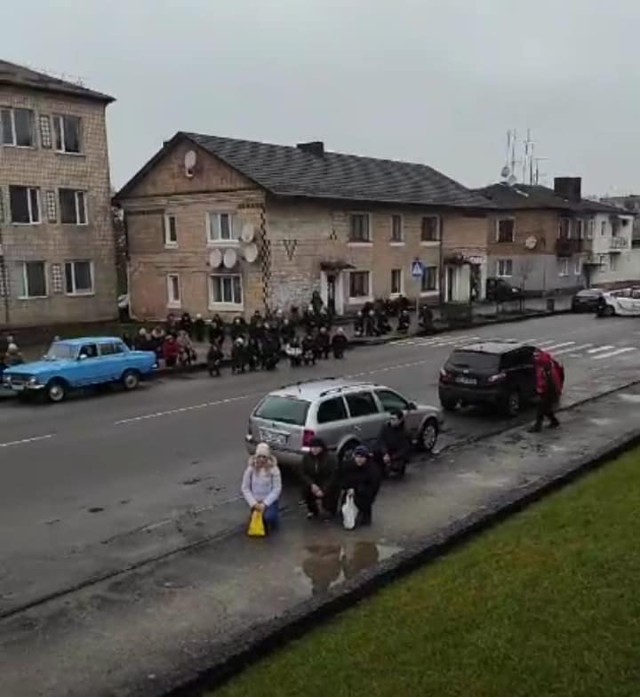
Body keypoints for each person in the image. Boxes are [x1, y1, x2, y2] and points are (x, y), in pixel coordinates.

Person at [241, 442, 282, 533]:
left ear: (268, 457)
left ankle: (273, 519)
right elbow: (245, 488)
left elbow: (277, 489)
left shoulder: (274, 469)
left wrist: (265, 504)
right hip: (256, 501)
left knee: (269, 517)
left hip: (269, 502)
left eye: (264, 457)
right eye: (259, 456)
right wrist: (253, 503)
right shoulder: (250, 469)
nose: (261, 459)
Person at [339, 445, 380, 527]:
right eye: (357, 457)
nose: (359, 459)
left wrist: (357, 490)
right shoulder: (348, 466)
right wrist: (347, 488)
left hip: (365, 494)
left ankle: (365, 514)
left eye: (362, 457)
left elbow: (373, 487)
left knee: (364, 502)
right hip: (350, 492)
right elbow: (342, 479)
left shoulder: (373, 470)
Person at [298, 438, 338, 519]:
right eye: (312, 447)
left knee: (332, 491)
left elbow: (333, 476)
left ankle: (329, 510)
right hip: (313, 482)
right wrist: (312, 484)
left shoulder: (330, 459)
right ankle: (312, 510)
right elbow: (302, 473)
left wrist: (323, 489)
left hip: (325, 482)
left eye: (317, 448)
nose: (314, 450)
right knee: (306, 489)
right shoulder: (306, 457)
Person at [530, 349, 564, 432]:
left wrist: (543, 391)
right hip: (546, 391)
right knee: (546, 409)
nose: (534, 358)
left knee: (540, 410)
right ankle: (554, 421)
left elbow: (549, 382)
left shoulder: (545, 367)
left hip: (547, 392)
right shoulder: (543, 365)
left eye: (536, 356)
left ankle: (537, 427)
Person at [375, 410, 412, 478]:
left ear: (400, 420)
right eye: (390, 419)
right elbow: (381, 440)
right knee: (375, 451)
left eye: (394, 419)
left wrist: (393, 457)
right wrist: (385, 453)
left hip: (396, 453)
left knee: (398, 463)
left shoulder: (404, 432)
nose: (391, 421)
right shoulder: (386, 427)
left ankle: (397, 468)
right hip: (387, 451)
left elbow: (405, 448)